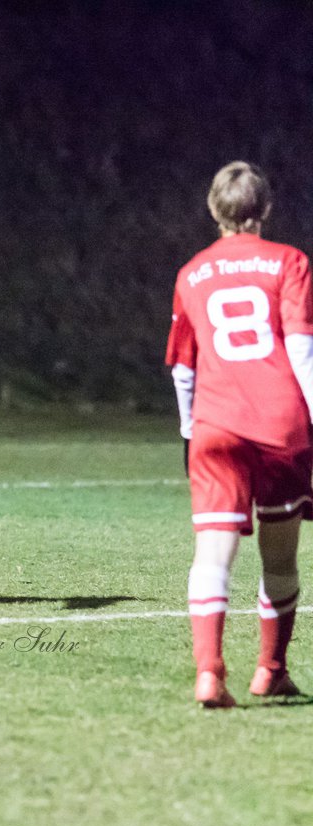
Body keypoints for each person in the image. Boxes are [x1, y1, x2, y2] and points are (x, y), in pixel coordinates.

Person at [166, 161, 313, 708]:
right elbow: (300, 351)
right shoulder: (289, 262)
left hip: (216, 425)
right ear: (266, 209)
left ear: (213, 210)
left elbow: (183, 369)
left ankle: (209, 672)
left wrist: (189, 431)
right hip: (280, 426)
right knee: (280, 561)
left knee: (212, 556)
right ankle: (270, 669)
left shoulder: (191, 273)